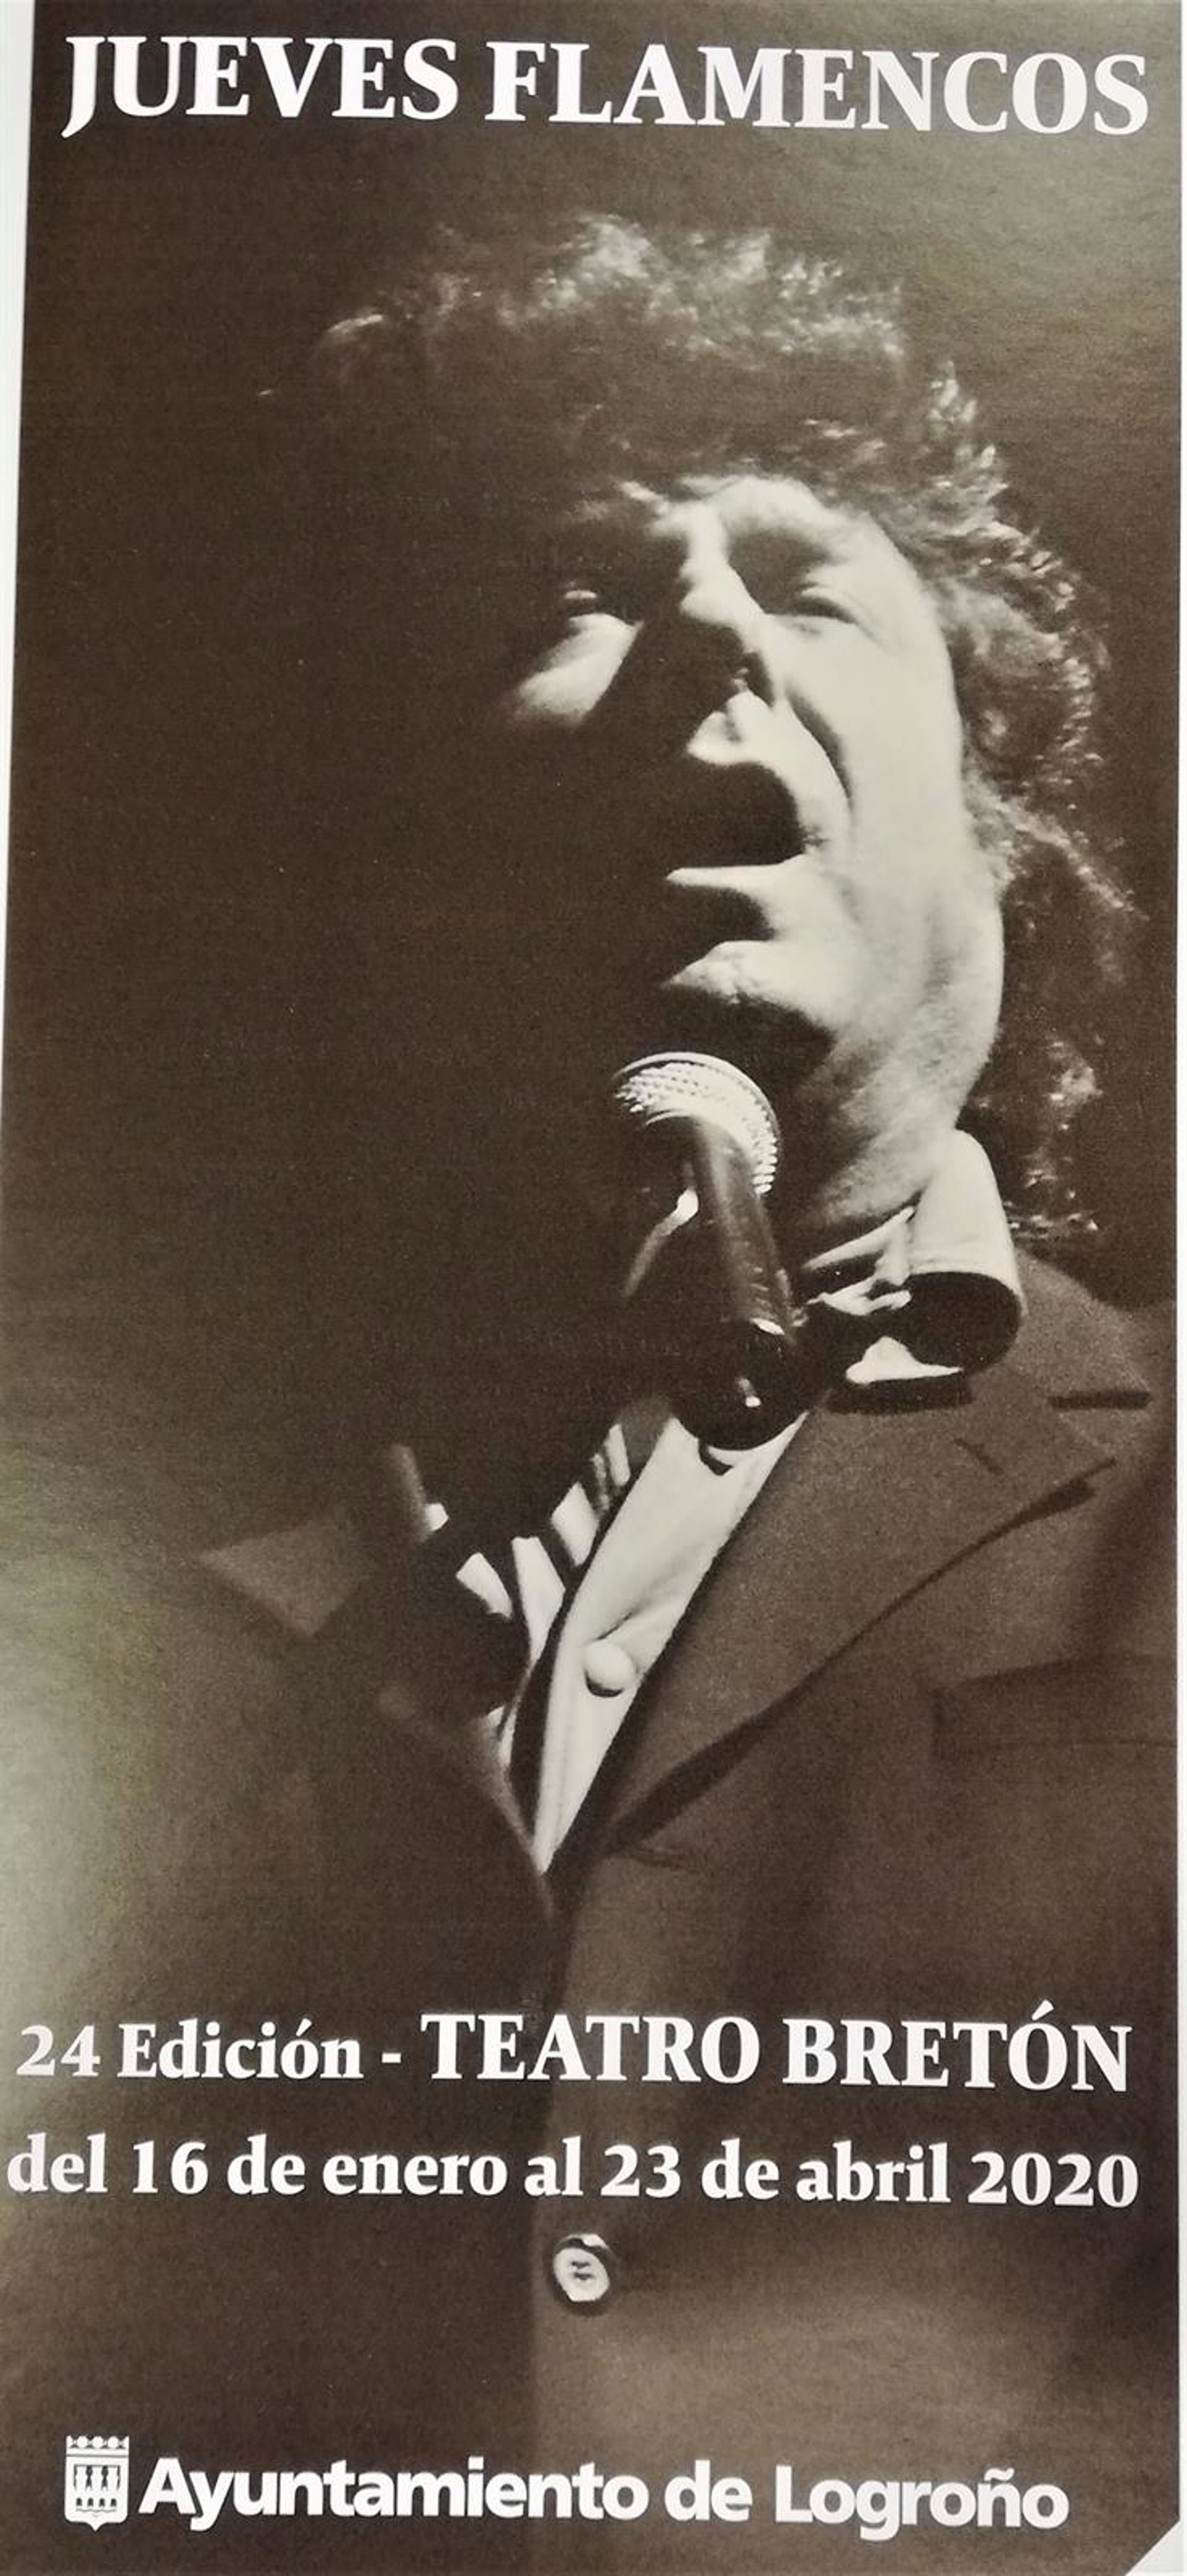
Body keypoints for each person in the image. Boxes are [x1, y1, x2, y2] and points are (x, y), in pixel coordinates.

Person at [2, 221, 1173, 2576]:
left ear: (1003, 837)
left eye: (808, 586)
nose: (713, 635)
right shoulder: (90, 1552)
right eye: (584, 595)